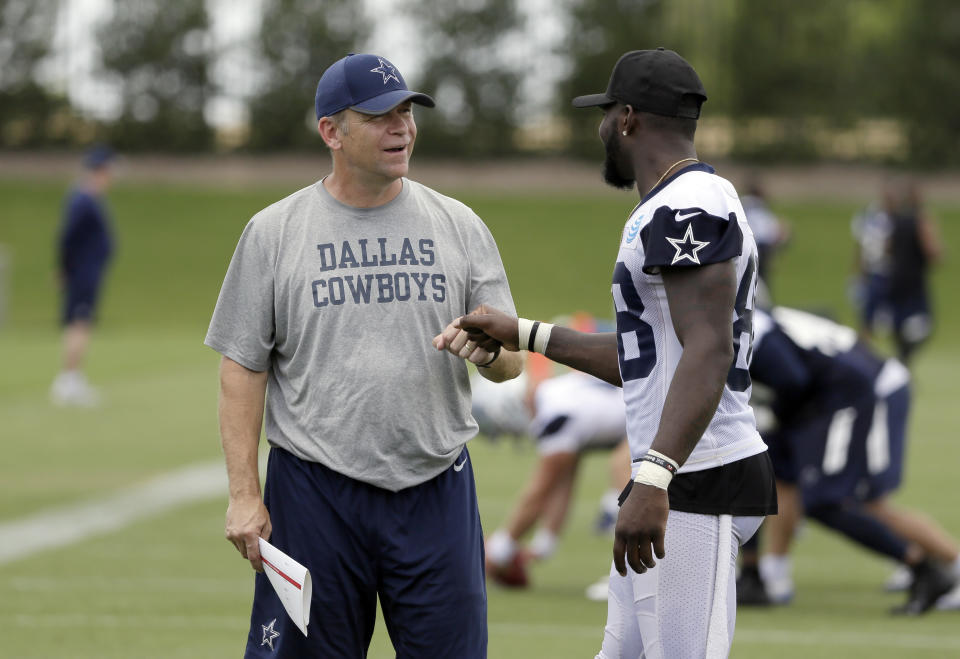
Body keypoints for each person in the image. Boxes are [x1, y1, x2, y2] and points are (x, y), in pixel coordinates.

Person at [439, 48, 777, 658]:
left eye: (604, 116)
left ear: (627, 118)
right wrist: (528, 334)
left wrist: (652, 475)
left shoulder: (686, 204)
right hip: (679, 473)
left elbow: (708, 348)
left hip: (696, 476)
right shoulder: (673, 202)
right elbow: (644, 357)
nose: (599, 130)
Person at [205, 53, 523, 658]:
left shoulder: (459, 224)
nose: (401, 127)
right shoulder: (274, 232)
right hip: (314, 495)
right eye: (380, 116)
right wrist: (245, 493)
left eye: (406, 111)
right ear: (332, 131)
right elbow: (242, 368)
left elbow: (511, 366)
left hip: (436, 488)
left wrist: (489, 353)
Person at [740, 306, 958, 614]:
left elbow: (793, 381)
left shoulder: (747, 327)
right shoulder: (758, 318)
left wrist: (773, 414)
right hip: (841, 391)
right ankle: (773, 574)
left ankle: (942, 566)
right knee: (783, 475)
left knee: (864, 500)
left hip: (870, 390)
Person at [471, 349, 629, 588]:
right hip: (652, 416)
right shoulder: (556, 392)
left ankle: (634, 580)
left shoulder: (555, 414)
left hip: (661, 421)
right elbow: (563, 477)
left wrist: (498, 550)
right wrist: (543, 546)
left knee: (625, 486)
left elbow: (539, 493)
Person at [50, 145, 116, 406]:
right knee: (79, 324)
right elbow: (67, 238)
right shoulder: (82, 200)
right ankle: (69, 380)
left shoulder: (91, 199)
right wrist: (65, 269)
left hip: (89, 273)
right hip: (81, 274)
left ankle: (72, 378)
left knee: (82, 324)